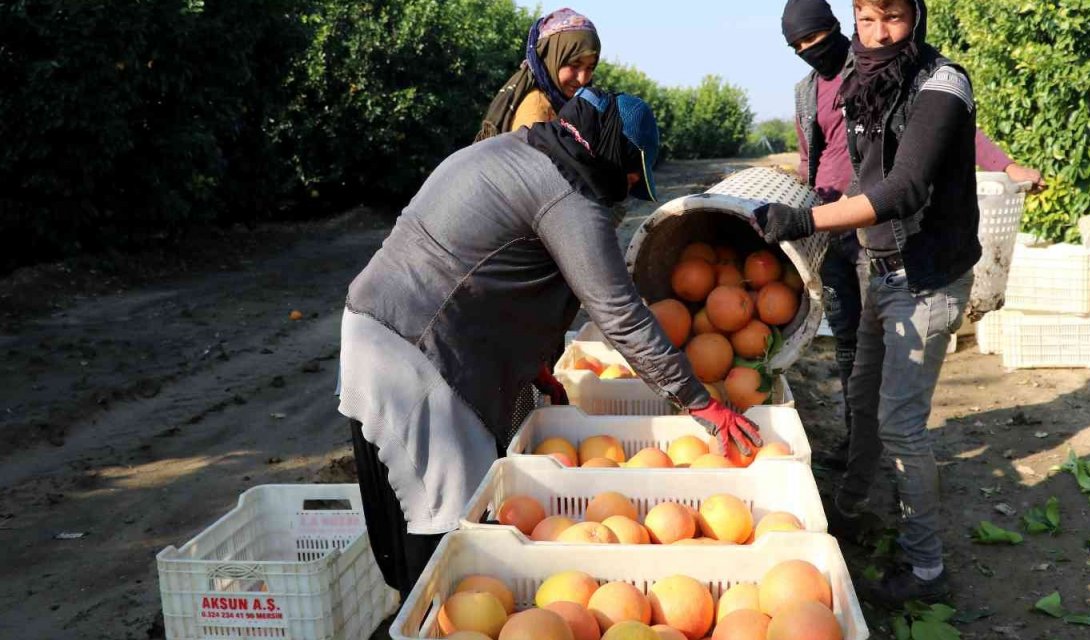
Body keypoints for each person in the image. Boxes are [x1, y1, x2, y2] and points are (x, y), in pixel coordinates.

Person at [340, 88, 762, 599]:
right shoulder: (568, 193)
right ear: (611, 150)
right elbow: (619, 313)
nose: (628, 188)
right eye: (631, 173)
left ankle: (422, 610)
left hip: (378, 333)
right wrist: (699, 402)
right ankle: (430, 621)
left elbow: (488, 272)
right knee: (449, 526)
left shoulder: (513, 151)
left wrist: (535, 363)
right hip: (418, 357)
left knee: (415, 514)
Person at [759, 0, 977, 606]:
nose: (879, 34)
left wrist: (806, 217)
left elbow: (903, 188)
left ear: (917, 15)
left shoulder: (942, 83)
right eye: (867, 17)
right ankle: (850, 511)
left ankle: (926, 569)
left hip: (926, 276)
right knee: (861, 395)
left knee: (901, 425)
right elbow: (856, 171)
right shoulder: (860, 80)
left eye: (894, 18)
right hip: (878, 267)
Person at [781, 0, 1043, 471]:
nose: (809, 52)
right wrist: (807, 206)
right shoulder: (813, 90)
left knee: (895, 390)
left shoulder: (904, 73)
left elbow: (934, 148)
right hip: (835, 224)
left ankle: (890, 460)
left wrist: (1003, 164)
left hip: (887, 233)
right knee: (851, 343)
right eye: (798, 47)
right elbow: (812, 157)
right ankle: (858, 459)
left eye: (816, 42)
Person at [476, 8, 601, 140]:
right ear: (550, 59)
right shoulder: (536, 109)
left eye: (590, 67)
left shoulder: (563, 106)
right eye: (574, 65)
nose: (582, 79)